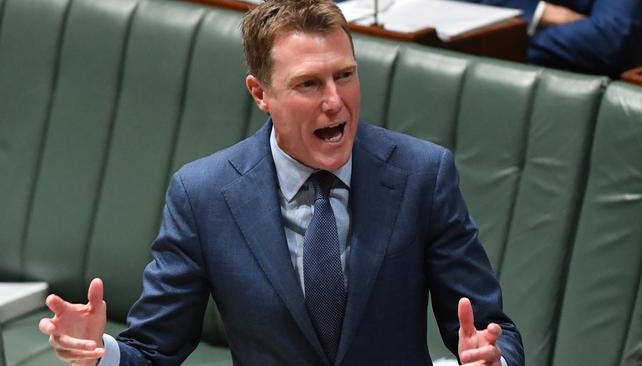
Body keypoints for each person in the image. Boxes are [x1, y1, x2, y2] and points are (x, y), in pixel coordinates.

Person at [39, 0, 524, 365]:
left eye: (346, 75)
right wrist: (97, 353)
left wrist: (493, 359)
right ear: (261, 93)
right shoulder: (204, 195)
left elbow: (493, 331)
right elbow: (152, 348)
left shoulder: (422, 175)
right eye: (309, 83)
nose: (335, 101)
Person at [468, 0, 642, 78]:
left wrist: (505, 45)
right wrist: (540, 12)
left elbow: (610, 37)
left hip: (577, 95)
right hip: (481, 82)